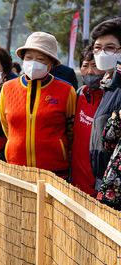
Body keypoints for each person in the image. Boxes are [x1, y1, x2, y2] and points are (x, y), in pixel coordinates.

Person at [0, 32, 76, 178]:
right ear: (22, 59)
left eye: (41, 59)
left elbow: (71, 130)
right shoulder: (8, 88)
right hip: (16, 168)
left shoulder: (66, 90)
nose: (34, 63)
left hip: (55, 171)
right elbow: (6, 125)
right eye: (29, 57)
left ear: (51, 64)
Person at [89, 17, 121, 203]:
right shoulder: (107, 85)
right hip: (103, 180)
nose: (102, 53)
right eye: (97, 47)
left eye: (110, 48)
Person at [70, 45, 106, 197]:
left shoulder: (111, 100)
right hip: (76, 182)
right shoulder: (78, 96)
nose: (90, 72)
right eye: (85, 66)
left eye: (96, 66)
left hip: (99, 186)